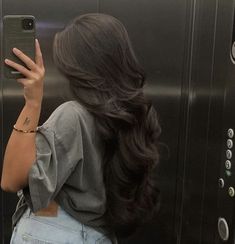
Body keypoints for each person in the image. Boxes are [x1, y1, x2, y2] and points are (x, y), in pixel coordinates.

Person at [1, 13, 161, 244]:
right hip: (100, 235)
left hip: (54, 234)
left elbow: (10, 179)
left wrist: (32, 102)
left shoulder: (73, 115)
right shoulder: (136, 115)